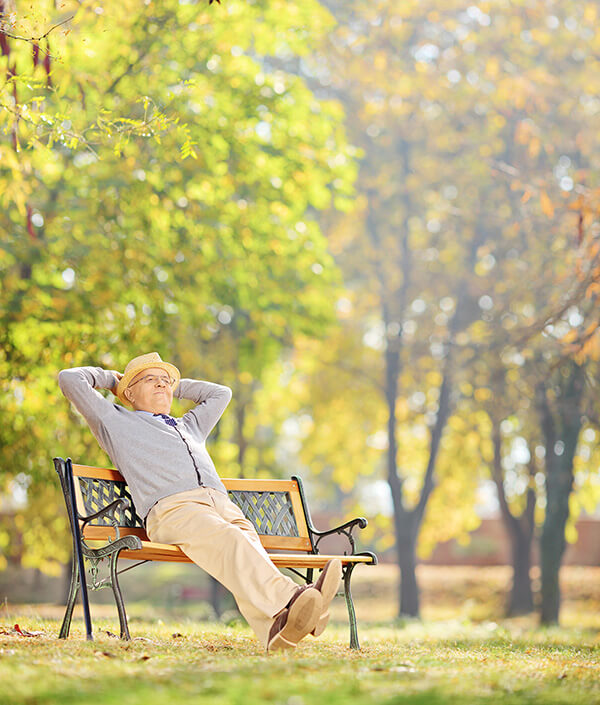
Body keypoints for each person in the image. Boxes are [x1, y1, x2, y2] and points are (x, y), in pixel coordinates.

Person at [58, 351, 341, 651]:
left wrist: (175, 385)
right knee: (232, 540)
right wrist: (112, 380)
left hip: (220, 504)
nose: (161, 385)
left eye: (165, 381)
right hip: (173, 509)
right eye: (150, 380)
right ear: (129, 391)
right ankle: (298, 598)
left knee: (246, 546)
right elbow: (69, 379)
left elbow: (221, 394)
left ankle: (278, 629)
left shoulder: (189, 425)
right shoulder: (114, 421)